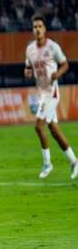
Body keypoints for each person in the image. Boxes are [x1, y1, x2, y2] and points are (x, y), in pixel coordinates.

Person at [24, 15, 77, 179]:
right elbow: (28, 66)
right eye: (35, 27)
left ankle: (47, 163)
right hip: (41, 94)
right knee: (53, 130)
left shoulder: (53, 46)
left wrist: (57, 74)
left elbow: (65, 64)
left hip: (51, 93)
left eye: (40, 26)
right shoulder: (30, 49)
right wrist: (27, 72)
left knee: (38, 126)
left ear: (45, 29)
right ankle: (74, 161)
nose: (37, 29)